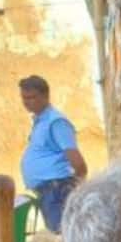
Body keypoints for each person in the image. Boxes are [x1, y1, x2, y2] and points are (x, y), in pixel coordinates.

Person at [20, 74, 88, 233]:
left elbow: (77, 161)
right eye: (24, 98)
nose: (27, 102)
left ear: (45, 96)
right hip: (49, 191)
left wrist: (77, 186)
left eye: (32, 97)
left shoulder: (56, 121)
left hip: (57, 189)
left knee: (60, 237)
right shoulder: (40, 121)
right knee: (56, 237)